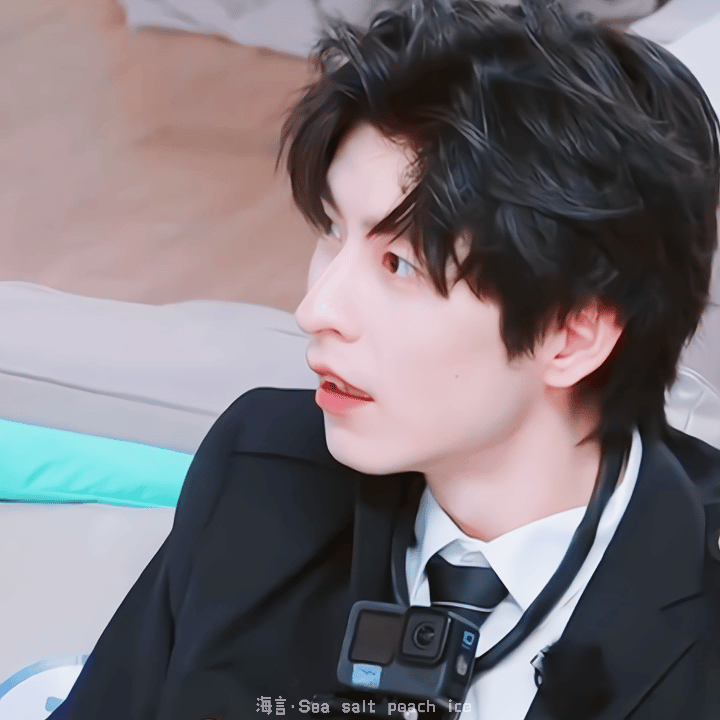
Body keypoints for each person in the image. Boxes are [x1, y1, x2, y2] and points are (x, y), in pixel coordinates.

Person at [47, 1, 720, 719]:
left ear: (573, 334)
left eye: (399, 264)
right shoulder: (261, 477)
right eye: (332, 231)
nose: (316, 309)